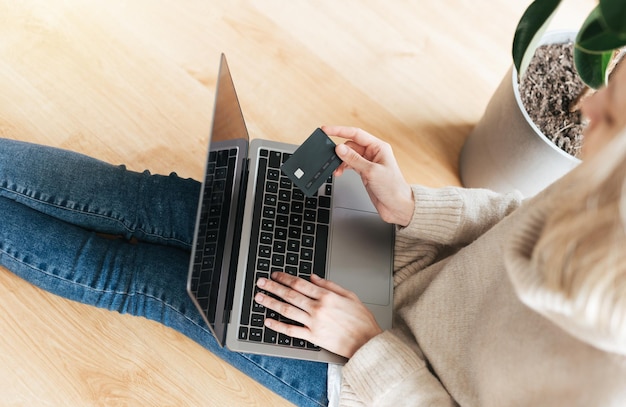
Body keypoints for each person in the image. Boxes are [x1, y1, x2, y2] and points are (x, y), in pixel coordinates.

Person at [2, 59, 626, 406]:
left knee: (147, 278)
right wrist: (410, 208)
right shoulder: (609, 171)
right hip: (387, 260)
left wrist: (365, 346)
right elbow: (511, 213)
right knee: (146, 198)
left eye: (613, 112)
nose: (584, 106)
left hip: (369, 373)